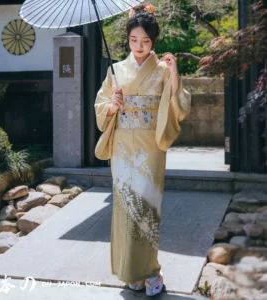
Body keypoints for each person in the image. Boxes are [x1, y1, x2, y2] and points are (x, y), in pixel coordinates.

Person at [94, 3, 191, 297]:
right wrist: (113, 105)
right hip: (123, 145)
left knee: (146, 208)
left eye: (146, 41)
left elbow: (179, 103)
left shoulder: (161, 70)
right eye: (134, 40)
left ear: (154, 41)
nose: (139, 46)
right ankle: (131, 272)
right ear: (127, 39)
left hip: (150, 146)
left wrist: (173, 74)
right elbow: (101, 105)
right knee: (125, 208)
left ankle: (151, 272)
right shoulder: (116, 70)